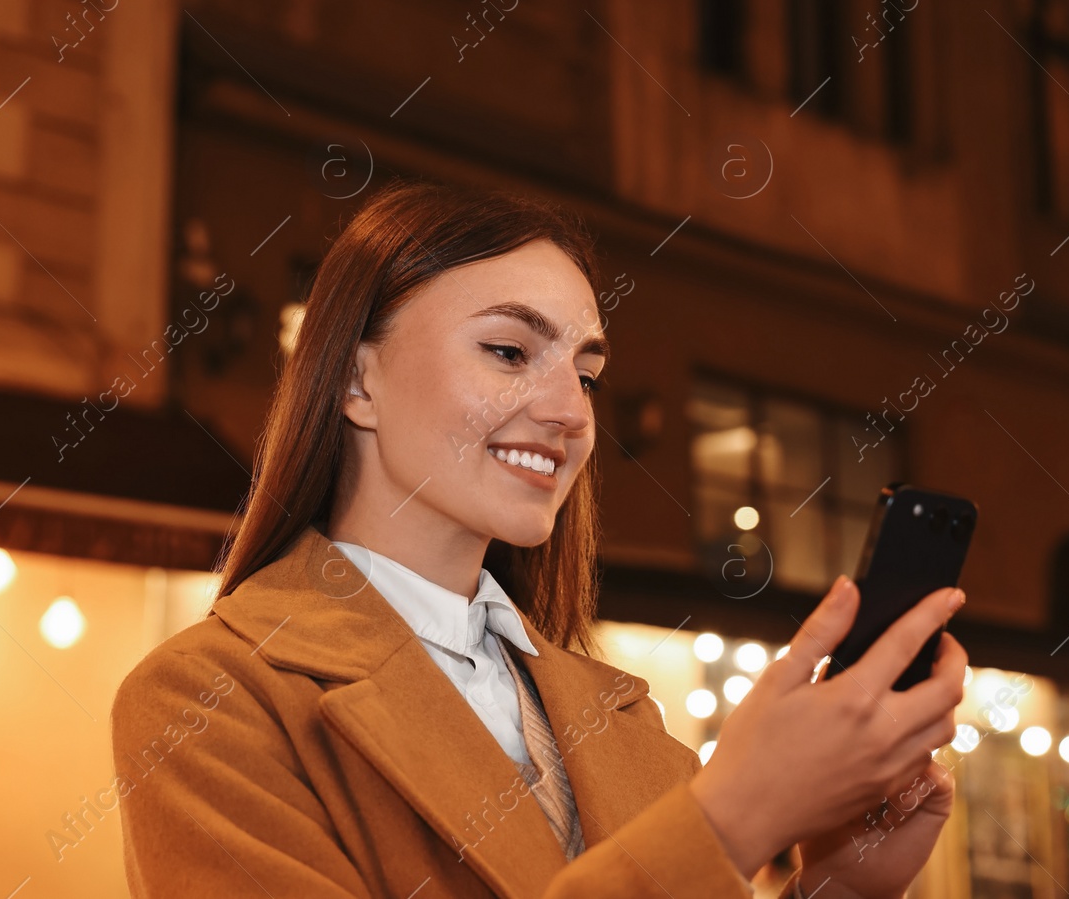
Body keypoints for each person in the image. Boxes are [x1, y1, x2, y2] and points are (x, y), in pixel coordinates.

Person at [111, 179, 968, 898]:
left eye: (586, 373)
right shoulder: (208, 703)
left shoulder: (621, 720)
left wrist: (841, 883)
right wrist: (734, 815)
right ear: (356, 380)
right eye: (509, 350)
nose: (571, 412)